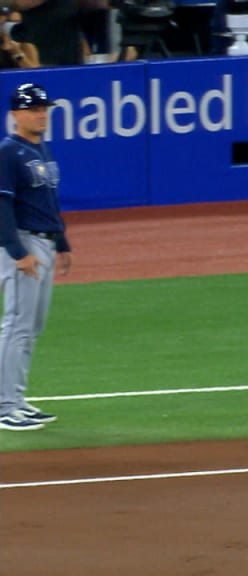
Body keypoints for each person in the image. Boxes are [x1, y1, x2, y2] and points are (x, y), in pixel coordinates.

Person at [0, 83, 70, 431]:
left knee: (32, 327)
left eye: (44, 108)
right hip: (23, 243)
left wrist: (62, 240)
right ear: (15, 114)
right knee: (17, 325)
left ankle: (17, 398)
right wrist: (18, 252)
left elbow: (49, 201)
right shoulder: (9, 152)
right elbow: (2, 205)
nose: (41, 114)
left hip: (44, 242)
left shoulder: (42, 149)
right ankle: (4, 405)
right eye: (33, 109)